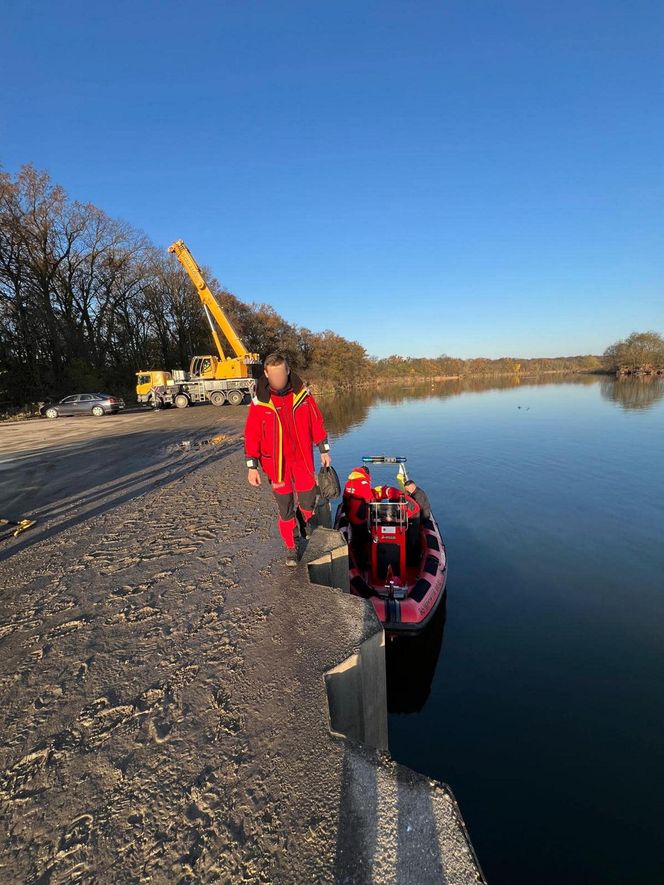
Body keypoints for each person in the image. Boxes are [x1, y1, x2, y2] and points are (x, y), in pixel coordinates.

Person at [244, 352, 331, 566]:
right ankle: (292, 548)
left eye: (281, 374)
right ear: (266, 373)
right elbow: (251, 435)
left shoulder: (303, 395)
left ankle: (304, 522)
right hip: (277, 466)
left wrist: (324, 449)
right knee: (285, 508)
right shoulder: (259, 403)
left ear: (288, 371)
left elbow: (316, 422)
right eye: (273, 375)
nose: (278, 379)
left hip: (302, 460)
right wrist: (251, 466)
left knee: (309, 500)